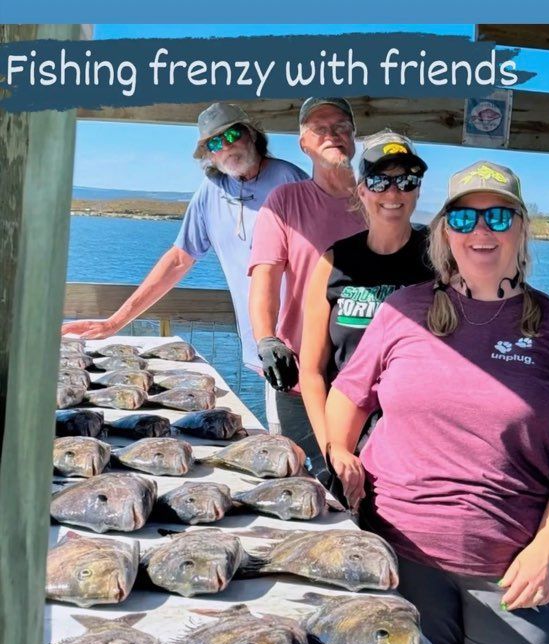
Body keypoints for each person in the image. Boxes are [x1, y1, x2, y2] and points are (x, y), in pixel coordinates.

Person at [324, 160, 549, 644]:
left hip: (512, 573)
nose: (482, 230)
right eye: (464, 216)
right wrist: (340, 452)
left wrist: (548, 550)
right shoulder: (404, 309)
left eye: (498, 215)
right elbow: (348, 391)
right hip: (399, 558)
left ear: (521, 230)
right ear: (444, 233)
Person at [61, 102, 308, 422]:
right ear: (208, 154)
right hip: (264, 350)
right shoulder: (211, 193)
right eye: (215, 143)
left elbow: (323, 257)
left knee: (317, 447)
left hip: (306, 344)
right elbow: (179, 259)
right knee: (286, 441)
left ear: (252, 135)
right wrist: (114, 323)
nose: (227, 145)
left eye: (233, 134)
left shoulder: (290, 180)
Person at [248, 97, 366, 477]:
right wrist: (267, 340)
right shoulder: (284, 201)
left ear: (354, 137)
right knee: (297, 480)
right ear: (303, 144)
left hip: (364, 382)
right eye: (320, 128)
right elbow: (265, 278)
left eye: (341, 127)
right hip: (297, 377)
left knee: (359, 485)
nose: (332, 134)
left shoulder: (379, 199)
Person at [299, 130, 432, 463]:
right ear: (361, 190)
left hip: (414, 442)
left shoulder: (441, 262)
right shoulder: (334, 261)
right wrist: (332, 447)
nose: (392, 192)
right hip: (346, 436)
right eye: (379, 182)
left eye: (406, 181)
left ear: (417, 192)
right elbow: (313, 370)